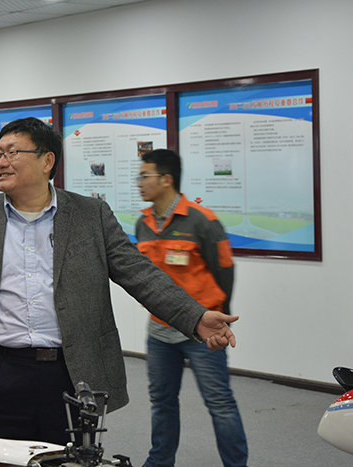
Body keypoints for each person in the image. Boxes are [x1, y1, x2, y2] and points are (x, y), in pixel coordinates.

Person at [0, 117, 239, 446]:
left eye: (12, 152)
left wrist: (195, 316)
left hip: (70, 375)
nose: (0, 162)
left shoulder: (90, 215)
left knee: (68, 460)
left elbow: (141, 274)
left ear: (47, 161)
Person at [135, 149, 248, 467]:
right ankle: (160, 462)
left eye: (144, 176)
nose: (139, 183)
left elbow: (224, 271)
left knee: (220, 403)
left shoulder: (202, 221)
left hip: (202, 331)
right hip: (160, 331)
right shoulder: (143, 223)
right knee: (162, 402)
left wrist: (220, 320)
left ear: (166, 179)